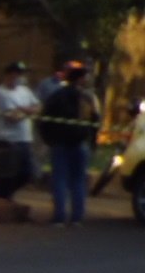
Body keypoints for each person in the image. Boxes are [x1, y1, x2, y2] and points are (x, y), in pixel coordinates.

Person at [39, 64, 101, 226]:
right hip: (80, 143)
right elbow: (95, 120)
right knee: (78, 181)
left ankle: (59, 216)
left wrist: (48, 139)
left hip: (60, 143)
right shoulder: (87, 98)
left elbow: (44, 118)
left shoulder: (57, 95)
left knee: (60, 179)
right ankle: (76, 217)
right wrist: (93, 141)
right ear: (80, 79)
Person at [0, 61, 40, 199]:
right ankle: (1, 198)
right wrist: (28, 111)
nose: (20, 77)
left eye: (21, 74)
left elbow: (38, 107)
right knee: (6, 175)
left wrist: (23, 109)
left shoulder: (24, 90)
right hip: (6, 139)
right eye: (17, 74)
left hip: (24, 138)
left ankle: (3, 195)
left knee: (27, 173)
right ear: (9, 75)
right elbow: (13, 117)